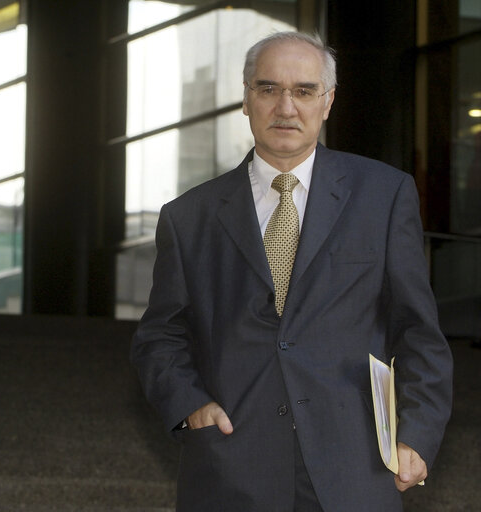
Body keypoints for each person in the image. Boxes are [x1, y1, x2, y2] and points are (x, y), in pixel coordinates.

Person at [130, 31, 452, 512]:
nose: (286, 106)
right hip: (230, 468)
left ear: (328, 102)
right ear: (246, 99)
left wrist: (418, 436)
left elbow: (419, 333)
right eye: (268, 89)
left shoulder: (384, 196)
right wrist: (190, 406)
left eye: (303, 91)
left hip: (357, 467)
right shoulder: (187, 216)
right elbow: (160, 336)